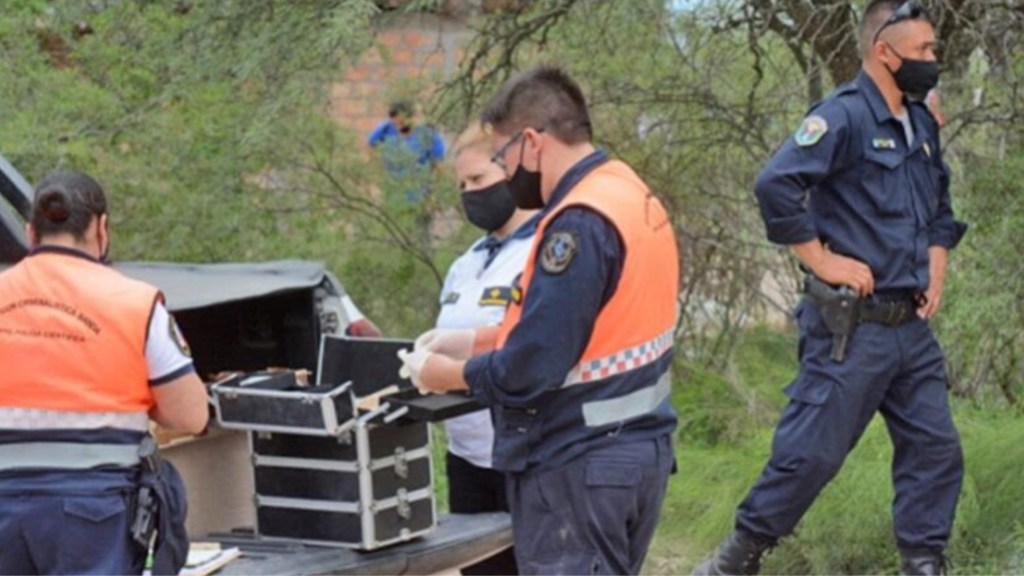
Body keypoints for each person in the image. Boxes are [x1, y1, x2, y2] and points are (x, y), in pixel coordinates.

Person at [692, 2, 967, 575]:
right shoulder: (841, 118)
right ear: (884, 52)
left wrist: (936, 260)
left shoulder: (919, 122)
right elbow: (775, 185)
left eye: (934, 49)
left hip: (911, 328)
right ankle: (737, 559)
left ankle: (923, 562)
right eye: (922, 51)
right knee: (811, 456)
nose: (932, 60)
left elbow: (939, 204)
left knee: (936, 451)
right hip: (853, 329)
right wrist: (822, 260)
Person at [397, 65, 679, 575]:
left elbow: (532, 366)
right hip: (639, 452)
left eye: (502, 158)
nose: (506, 174)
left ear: (532, 142)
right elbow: (585, 328)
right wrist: (474, 341)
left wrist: (446, 374)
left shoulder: (576, 223)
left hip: (580, 461)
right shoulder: (629, 194)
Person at [0, 170, 209, 575]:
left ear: (30, 233)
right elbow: (191, 415)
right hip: (92, 515)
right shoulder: (134, 303)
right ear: (101, 229)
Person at [421, 121, 538, 575]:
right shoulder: (464, 264)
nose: (470, 193)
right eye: (461, 185)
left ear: (510, 171)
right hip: (466, 455)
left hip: (522, 455)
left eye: (479, 180)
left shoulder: (542, 251)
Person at [367, 100, 447, 203]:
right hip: (392, 193)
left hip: (419, 194)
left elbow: (439, 165)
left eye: (401, 122)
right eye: (395, 123)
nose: (397, 126)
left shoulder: (429, 134)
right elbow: (370, 145)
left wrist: (435, 195)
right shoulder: (386, 129)